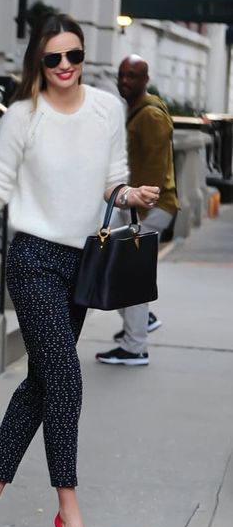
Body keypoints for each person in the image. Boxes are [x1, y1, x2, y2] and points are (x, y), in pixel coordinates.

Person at [0, 14, 160, 527]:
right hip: (33, 259)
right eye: (54, 58)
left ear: (84, 56)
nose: (66, 67)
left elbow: (111, 179)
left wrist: (130, 195)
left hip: (82, 262)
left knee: (41, 384)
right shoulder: (23, 117)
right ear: (38, 63)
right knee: (66, 380)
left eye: (75, 56)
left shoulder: (107, 108)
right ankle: (69, 511)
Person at [95, 55, 180, 366]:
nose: (125, 81)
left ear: (145, 80)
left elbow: (156, 171)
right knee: (114, 267)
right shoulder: (135, 109)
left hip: (149, 206)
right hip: (135, 204)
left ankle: (135, 346)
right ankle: (141, 321)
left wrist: (139, 210)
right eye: (122, 75)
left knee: (129, 272)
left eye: (132, 76)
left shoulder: (151, 116)